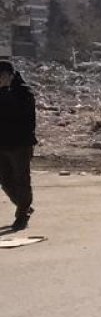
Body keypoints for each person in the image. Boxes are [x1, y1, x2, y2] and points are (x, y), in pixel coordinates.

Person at [0, 60, 37, 231]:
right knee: (6, 181)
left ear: (10, 75)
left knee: (21, 180)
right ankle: (25, 206)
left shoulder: (24, 92)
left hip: (20, 144)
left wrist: (6, 92)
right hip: (2, 144)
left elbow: (21, 116)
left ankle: (22, 215)